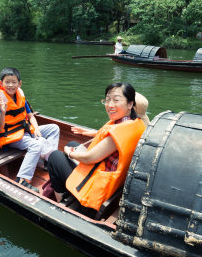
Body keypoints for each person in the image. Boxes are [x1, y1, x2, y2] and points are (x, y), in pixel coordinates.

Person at [47, 83, 147, 218]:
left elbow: (89, 158)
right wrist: (92, 133)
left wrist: (69, 152)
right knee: (72, 142)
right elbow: (114, 137)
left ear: (130, 104)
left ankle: (65, 204)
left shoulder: (118, 132)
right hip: (116, 183)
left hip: (99, 190)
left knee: (55, 157)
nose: (110, 105)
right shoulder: (137, 123)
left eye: (116, 100)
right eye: (107, 100)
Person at [0, 67, 60, 191]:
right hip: (10, 136)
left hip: (24, 130)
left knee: (54, 128)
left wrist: (36, 129)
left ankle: (48, 161)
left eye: (14, 82)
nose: (11, 85)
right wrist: (3, 112)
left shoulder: (20, 97)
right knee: (35, 146)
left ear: (20, 83)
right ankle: (22, 180)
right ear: (1, 84)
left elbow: (30, 116)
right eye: (7, 82)